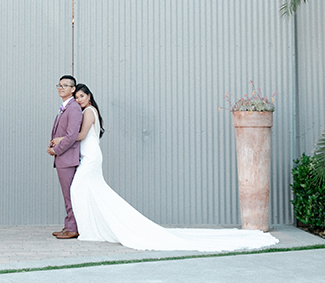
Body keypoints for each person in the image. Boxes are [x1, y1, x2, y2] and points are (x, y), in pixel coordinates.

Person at [64, 84, 279, 252]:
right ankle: (93, 227)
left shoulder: (89, 112)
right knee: (90, 191)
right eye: (76, 98)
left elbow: (81, 135)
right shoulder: (89, 111)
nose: (79, 100)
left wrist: (61, 140)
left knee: (78, 189)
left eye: (81, 96)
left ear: (88, 96)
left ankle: (93, 228)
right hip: (90, 157)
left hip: (90, 158)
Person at [47, 75, 82, 239]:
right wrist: (53, 144)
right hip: (63, 156)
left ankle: (73, 228)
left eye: (65, 85)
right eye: (59, 85)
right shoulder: (65, 107)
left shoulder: (73, 108)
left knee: (70, 194)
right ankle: (69, 224)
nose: (61, 88)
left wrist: (57, 150)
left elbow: (72, 135)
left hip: (67, 158)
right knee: (67, 194)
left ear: (73, 89)